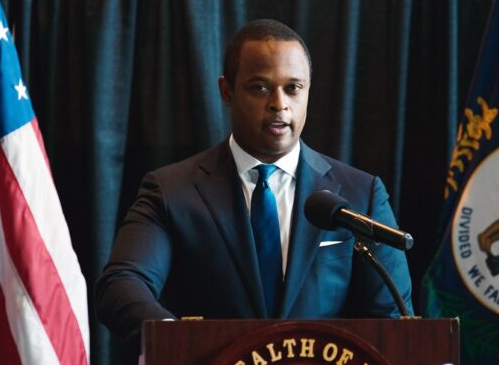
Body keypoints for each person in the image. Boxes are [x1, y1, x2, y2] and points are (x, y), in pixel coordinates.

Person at [95, 19, 413, 348]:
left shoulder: (360, 194)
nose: (279, 103)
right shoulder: (171, 191)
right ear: (227, 91)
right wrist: (178, 339)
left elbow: (390, 322)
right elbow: (122, 284)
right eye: (260, 87)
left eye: (293, 88)